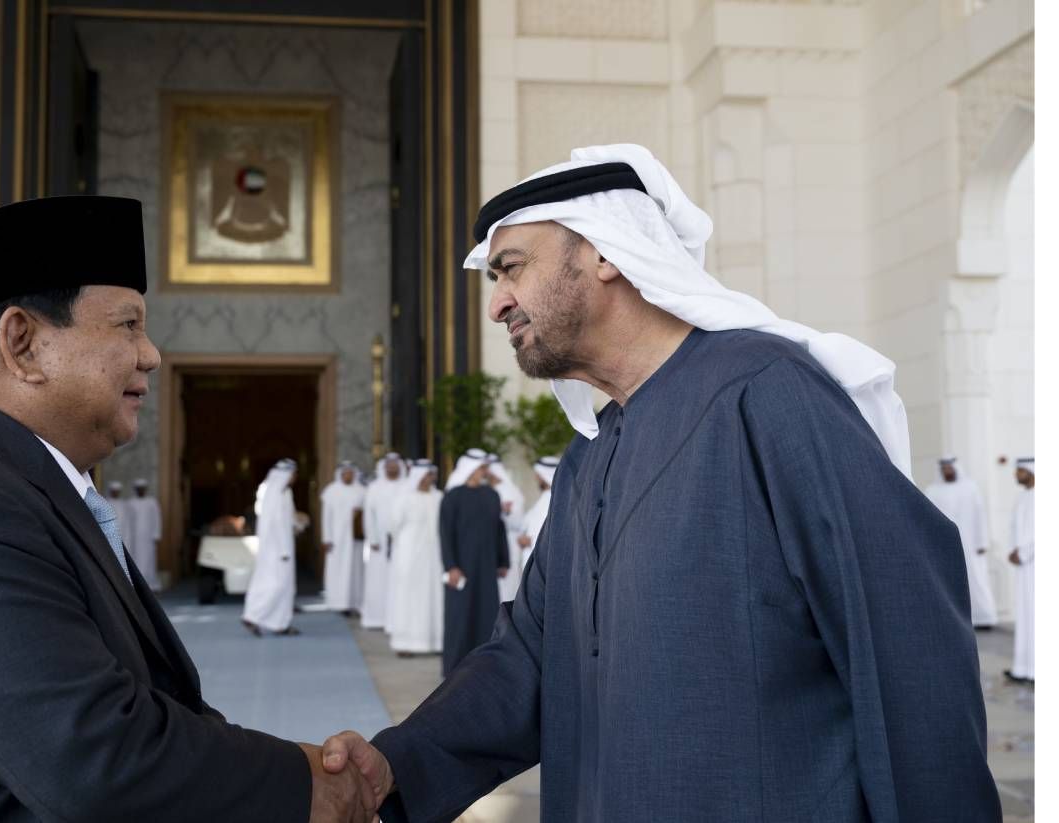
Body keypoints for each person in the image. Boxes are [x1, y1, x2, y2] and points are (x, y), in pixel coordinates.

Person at [319, 145, 997, 822]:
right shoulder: (587, 457)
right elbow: (529, 659)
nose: (497, 304)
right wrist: (395, 766)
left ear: (604, 253)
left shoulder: (767, 392)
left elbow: (906, 655)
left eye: (512, 268)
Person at [0, 196, 380, 822]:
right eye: (127, 325)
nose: (151, 354)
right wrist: (310, 786)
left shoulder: (15, 483)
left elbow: (149, 706)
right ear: (22, 344)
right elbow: (94, 757)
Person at [438, 454, 510, 675]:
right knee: (459, 617)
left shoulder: (492, 495)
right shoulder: (452, 497)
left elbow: (499, 529)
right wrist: (451, 566)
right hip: (461, 569)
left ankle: (482, 668)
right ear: (470, 469)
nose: (485, 472)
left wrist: (503, 560)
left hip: (487, 566)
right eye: (481, 468)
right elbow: (445, 534)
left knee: (486, 615)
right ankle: (454, 669)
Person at [924, 455, 998, 628]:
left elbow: (980, 514)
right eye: (944, 468)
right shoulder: (932, 491)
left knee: (977, 580)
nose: (947, 471)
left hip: (971, 544)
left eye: (949, 467)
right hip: (945, 545)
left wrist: (982, 542)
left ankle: (984, 617)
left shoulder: (971, 488)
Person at [386, 461, 444, 657]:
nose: (430, 479)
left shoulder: (438, 497)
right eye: (427, 475)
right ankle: (405, 643)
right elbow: (392, 526)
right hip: (409, 555)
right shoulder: (404, 498)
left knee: (433, 596)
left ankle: (434, 642)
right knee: (407, 597)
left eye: (432, 475)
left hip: (434, 556)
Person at [244, 459, 303, 637]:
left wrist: (298, 525)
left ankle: (280, 624)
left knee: (286, 587)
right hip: (275, 549)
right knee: (274, 585)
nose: (294, 477)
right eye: (292, 474)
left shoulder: (285, 492)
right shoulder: (272, 492)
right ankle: (252, 616)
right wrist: (283, 549)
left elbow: (288, 518)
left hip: (285, 547)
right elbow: (273, 524)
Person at [501, 456, 558, 603]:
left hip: (542, 566)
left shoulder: (553, 498)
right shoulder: (544, 498)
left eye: (538, 475)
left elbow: (554, 533)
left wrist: (530, 541)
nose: (536, 478)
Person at [360, 454, 406, 630]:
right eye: (389, 465)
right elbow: (368, 515)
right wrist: (372, 538)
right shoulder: (374, 487)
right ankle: (376, 618)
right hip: (379, 542)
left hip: (401, 543)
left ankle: (396, 619)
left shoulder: (406, 486)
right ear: (384, 467)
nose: (392, 467)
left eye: (395, 464)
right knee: (377, 580)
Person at [319, 461, 367, 616]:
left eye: (351, 473)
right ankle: (339, 603)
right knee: (338, 571)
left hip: (355, 539)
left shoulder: (361, 491)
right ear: (340, 474)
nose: (348, 475)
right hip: (337, 539)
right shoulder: (331, 491)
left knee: (356, 571)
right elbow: (326, 517)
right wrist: (326, 538)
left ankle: (356, 603)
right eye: (345, 473)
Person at [1007, 457, 1036, 684]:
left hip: (1034, 565)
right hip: (1024, 568)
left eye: (1020, 471)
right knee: (1026, 617)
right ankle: (1024, 668)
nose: (1016, 475)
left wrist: (1024, 553)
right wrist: (1013, 551)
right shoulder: (1023, 497)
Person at [123, 478, 163, 592]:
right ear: (136, 489)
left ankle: (151, 584)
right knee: (135, 559)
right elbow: (127, 521)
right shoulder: (130, 502)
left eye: (142, 488)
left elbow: (157, 518)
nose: (141, 490)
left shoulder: (152, 502)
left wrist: (156, 534)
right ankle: (136, 585)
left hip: (148, 537)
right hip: (134, 537)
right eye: (139, 489)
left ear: (145, 489)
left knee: (149, 560)